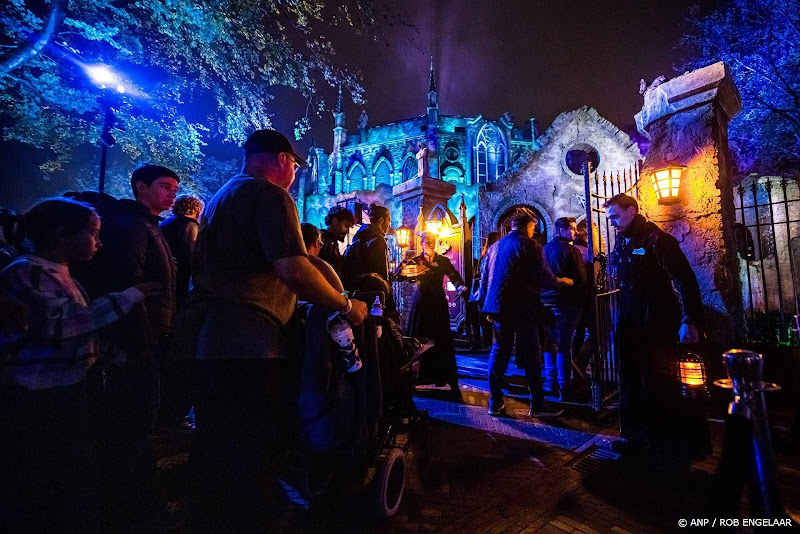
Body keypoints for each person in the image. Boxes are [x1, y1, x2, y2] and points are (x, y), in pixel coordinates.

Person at [186, 129, 366, 531]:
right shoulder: (269, 195)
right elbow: (293, 268)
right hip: (253, 338)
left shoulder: (219, 199)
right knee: (253, 445)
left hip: (213, 338)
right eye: (295, 166)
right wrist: (345, 305)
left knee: (215, 442)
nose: (295, 175)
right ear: (284, 159)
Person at [0, 198, 151, 532]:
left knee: (70, 473)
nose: (99, 242)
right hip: (36, 394)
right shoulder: (27, 272)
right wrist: (129, 297)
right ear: (60, 235)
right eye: (93, 233)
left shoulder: (62, 274)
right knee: (43, 476)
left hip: (67, 388)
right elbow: (62, 327)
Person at [74, 164, 180, 530]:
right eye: (165, 186)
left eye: (175, 188)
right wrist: (143, 338)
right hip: (137, 343)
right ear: (140, 187)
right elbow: (130, 283)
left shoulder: (150, 225)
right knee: (133, 427)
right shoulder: (134, 226)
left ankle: (132, 503)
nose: (172, 194)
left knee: (136, 425)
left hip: (149, 338)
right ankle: (136, 509)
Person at [605, 193, 710, 470]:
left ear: (631, 210)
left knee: (660, 383)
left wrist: (690, 320)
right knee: (630, 380)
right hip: (629, 322)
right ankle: (634, 437)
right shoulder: (623, 241)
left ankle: (667, 446)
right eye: (609, 218)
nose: (612, 222)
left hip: (657, 323)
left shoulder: (658, 241)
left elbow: (685, 280)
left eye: (615, 216)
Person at [478, 213, 572, 418]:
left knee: (498, 352)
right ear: (528, 226)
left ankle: (495, 403)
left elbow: (484, 278)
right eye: (532, 229)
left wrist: (484, 304)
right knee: (532, 354)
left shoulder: (495, 246)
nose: (533, 232)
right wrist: (561, 282)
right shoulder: (530, 245)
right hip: (522, 307)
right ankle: (537, 403)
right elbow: (544, 276)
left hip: (497, 307)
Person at [159, 194, 204, 431]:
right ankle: (172, 414)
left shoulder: (165, 224)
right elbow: (192, 259)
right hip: (179, 294)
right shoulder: (189, 227)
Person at [405, 231, 466, 393]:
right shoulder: (416, 261)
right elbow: (406, 277)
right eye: (427, 241)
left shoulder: (442, 261)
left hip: (438, 304)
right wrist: (405, 268)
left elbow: (454, 276)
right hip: (422, 304)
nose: (430, 243)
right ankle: (416, 378)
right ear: (422, 242)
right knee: (419, 340)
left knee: (442, 340)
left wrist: (461, 286)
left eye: (432, 241)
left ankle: (447, 378)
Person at [541, 217, 587, 402]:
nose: (575, 233)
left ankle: (549, 382)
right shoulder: (571, 250)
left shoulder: (543, 250)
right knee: (564, 345)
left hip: (546, 301)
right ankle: (564, 386)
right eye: (573, 229)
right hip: (566, 302)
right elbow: (580, 278)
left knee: (549, 342)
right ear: (562, 230)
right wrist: (584, 298)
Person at [160, 194, 204, 309]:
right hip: (179, 276)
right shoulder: (190, 225)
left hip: (164, 272)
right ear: (198, 210)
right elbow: (191, 253)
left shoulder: (167, 222)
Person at [341, 203, 391, 288]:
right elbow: (380, 273)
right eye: (389, 220)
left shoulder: (360, 238)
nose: (389, 225)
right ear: (381, 220)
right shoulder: (378, 240)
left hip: (360, 289)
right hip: (375, 291)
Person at [468, 232, 500, 348]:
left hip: (482, 292)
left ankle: (487, 342)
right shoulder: (493, 256)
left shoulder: (483, 256)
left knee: (484, 318)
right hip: (489, 291)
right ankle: (491, 342)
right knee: (491, 319)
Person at [301, 222, 344, 292]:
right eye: (321, 245)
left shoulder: (287, 265)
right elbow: (341, 294)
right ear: (317, 243)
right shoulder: (320, 267)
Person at [319, 206, 355, 277]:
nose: (347, 231)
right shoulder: (324, 240)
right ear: (335, 221)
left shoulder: (332, 241)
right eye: (346, 225)